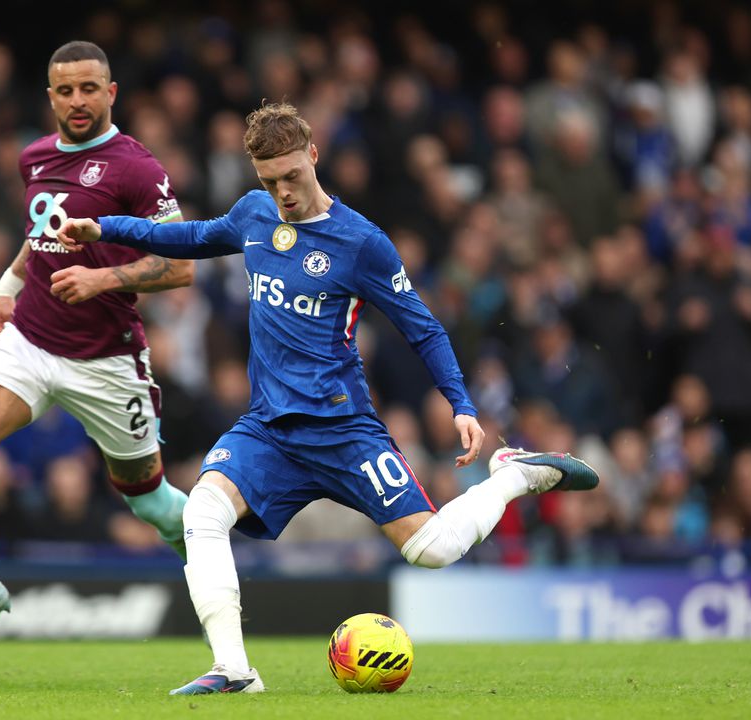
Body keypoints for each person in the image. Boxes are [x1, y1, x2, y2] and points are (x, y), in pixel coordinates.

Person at [57, 103, 599, 694]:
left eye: (291, 176)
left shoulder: (361, 243)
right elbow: (190, 237)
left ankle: (513, 475)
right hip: (269, 429)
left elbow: (422, 328)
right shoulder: (254, 214)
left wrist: (462, 405)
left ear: (313, 155)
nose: (283, 193)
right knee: (202, 511)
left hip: (343, 430)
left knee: (434, 550)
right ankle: (234, 670)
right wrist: (105, 228)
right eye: (270, 181)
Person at [0, 41, 194, 659]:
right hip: (31, 340)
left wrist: (103, 279)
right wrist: (10, 281)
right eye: (65, 90)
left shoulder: (136, 168)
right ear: (50, 96)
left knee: (151, 503)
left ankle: (216, 567)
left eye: (89, 89)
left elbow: (181, 265)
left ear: (111, 93)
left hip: (107, 359)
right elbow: (41, 233)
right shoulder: (35, 158)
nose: (78, 101)